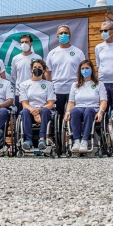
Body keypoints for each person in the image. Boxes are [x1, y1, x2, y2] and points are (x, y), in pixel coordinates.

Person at [45, 24, 85, 153]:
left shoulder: (78, 52)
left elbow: (83, 70)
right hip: (57, 90)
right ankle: (58, 143)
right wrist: (49, 87)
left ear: (70, 35)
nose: (63, 35)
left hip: (74, 90)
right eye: (61, 33)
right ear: (57, 36)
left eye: (66, 33)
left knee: (73, 116)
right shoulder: (52, 53)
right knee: (58, 117)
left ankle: (76, 141)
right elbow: (48, 72)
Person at [64, 60, 107, 153]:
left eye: (87, 68)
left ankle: (85, 140)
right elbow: (71, 102)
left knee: (89, 111)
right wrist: (67, 112)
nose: (84, 70)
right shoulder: (75, 85)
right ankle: (76, 140)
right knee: (74, 112)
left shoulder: (99, 84)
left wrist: (100, 112)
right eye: (82, 69)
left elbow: (103, 100)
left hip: (93, 108)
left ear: (92, 69)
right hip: (79, 107)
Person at [20, 59, 55, 151]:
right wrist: (35, 113)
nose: (37, 69)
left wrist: (39, 110)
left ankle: (42, 139)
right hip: (30, 110)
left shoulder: (49, 84)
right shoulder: (24, 84)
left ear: (43, 70)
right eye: (35, 67)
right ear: (31, 69)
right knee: (24, 111)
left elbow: (50, 103)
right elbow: (24, 103)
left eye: (39, 67)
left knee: (45, 110)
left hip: (44, 111)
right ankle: (28, 140)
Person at [11, 34, 41, 112]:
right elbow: (13, 75)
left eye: (26, 42)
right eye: (22, 42)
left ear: (31, 43)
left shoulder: (37, 58)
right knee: (20, 114)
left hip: (34, 91)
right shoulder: (15, 58)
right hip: (20, 92)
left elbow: (41, 74)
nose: (24, 44)